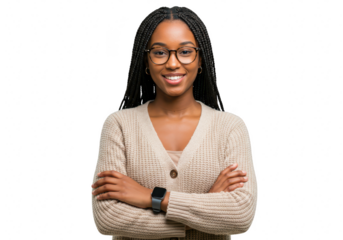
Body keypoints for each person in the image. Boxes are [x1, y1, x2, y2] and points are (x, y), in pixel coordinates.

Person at [91, 5, 258, 240]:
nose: (172, 63)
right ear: (146, 61)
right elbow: (107, 219)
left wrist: (151, 197)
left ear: (200, 60)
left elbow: (240, 215)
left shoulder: (230, 127)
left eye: (185, 51)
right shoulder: (118, 125)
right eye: (159, 52)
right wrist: (206, 210)